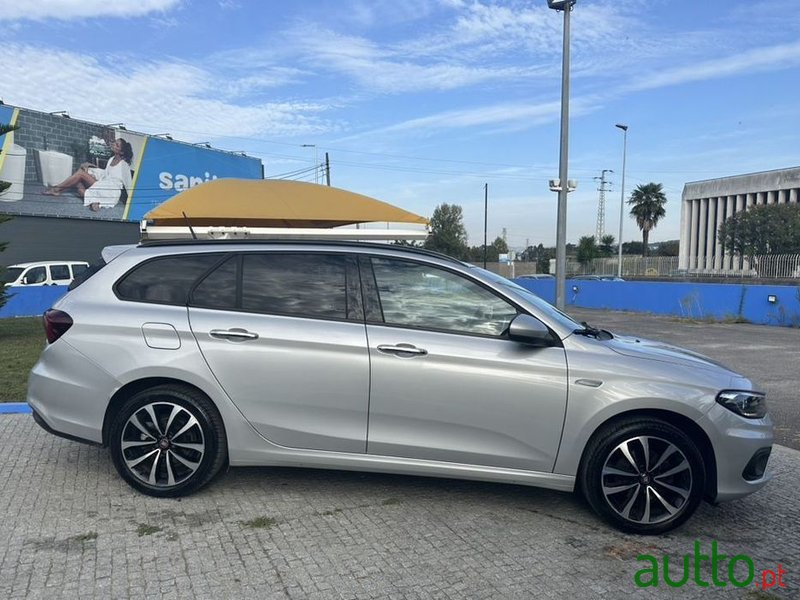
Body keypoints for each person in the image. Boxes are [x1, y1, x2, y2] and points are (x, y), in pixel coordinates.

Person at [44, 138, 133, 212]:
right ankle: (93, 202)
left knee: (80, 173)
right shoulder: (111, 159)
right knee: (77, 182)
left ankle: (56, 189)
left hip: (111, 191)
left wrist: (133, 204)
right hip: (104, 184)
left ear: (121, 152)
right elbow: (105, 173)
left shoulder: (124, 165)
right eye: (114, 143)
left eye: (117, 145)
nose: (113, 145)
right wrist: (91, 167)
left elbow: (129, 184)